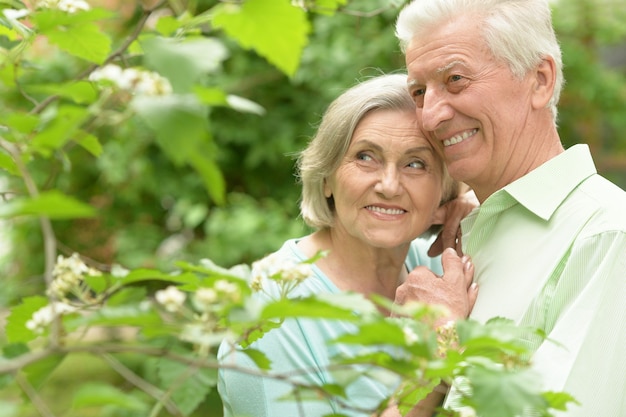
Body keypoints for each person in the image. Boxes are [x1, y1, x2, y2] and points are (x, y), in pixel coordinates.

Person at [394, 1, 626, 416]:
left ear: (539, 80)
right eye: (418, 92)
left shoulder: (608, 236)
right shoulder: (461, 238)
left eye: (456, 79)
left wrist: (442, 341)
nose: (430, 116)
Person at [217, 73, 478, 417]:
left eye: (416, 163)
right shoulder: (270, 309)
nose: (388, 185)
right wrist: (435, 361)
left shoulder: (437, 273)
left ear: (442, 192)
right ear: (326, 177)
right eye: (366, 157)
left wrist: (481, 214)